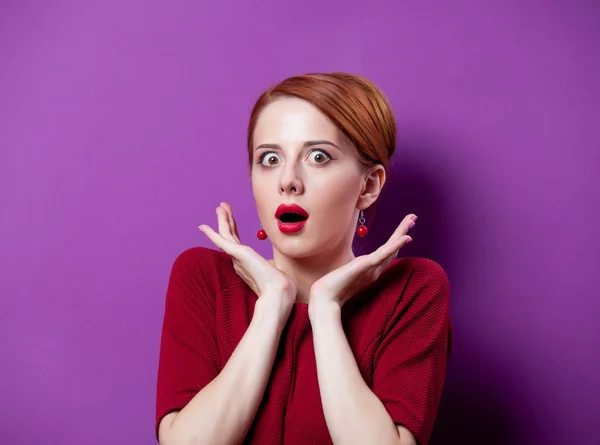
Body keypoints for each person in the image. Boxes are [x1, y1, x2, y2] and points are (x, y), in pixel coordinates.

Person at [155, 72, 452, 445]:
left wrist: (326, 309)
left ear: (369, 185)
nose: (288, 180)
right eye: (270, 158)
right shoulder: (204, 278)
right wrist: (273, 303)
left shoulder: (412, 291)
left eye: (318, 156)